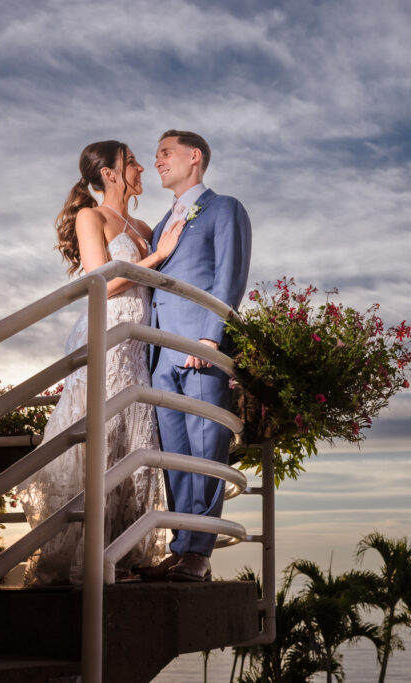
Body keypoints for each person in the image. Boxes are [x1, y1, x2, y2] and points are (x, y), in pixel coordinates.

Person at [18, 140, 184, 585]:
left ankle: (121, 557)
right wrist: (158, 256)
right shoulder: (90, 217)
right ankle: (77, 561)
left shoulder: (147, 225)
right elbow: (101, 282)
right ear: (110, 174)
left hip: (138, 349)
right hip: (108, 336)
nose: (141, 168)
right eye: (131, 162)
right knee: (99, 441)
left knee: (132, 445)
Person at [136, 130, 252, 582]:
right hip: (161, 353)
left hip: (201, 348)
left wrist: (211, 337)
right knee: (176, 456)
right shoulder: (162, 224)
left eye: (166, 153)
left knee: (206, 449)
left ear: (194, 156)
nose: (159, 161)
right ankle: (181, 545)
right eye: (157, 155)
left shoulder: (225, 208)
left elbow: (229, 275)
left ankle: (199, 554)